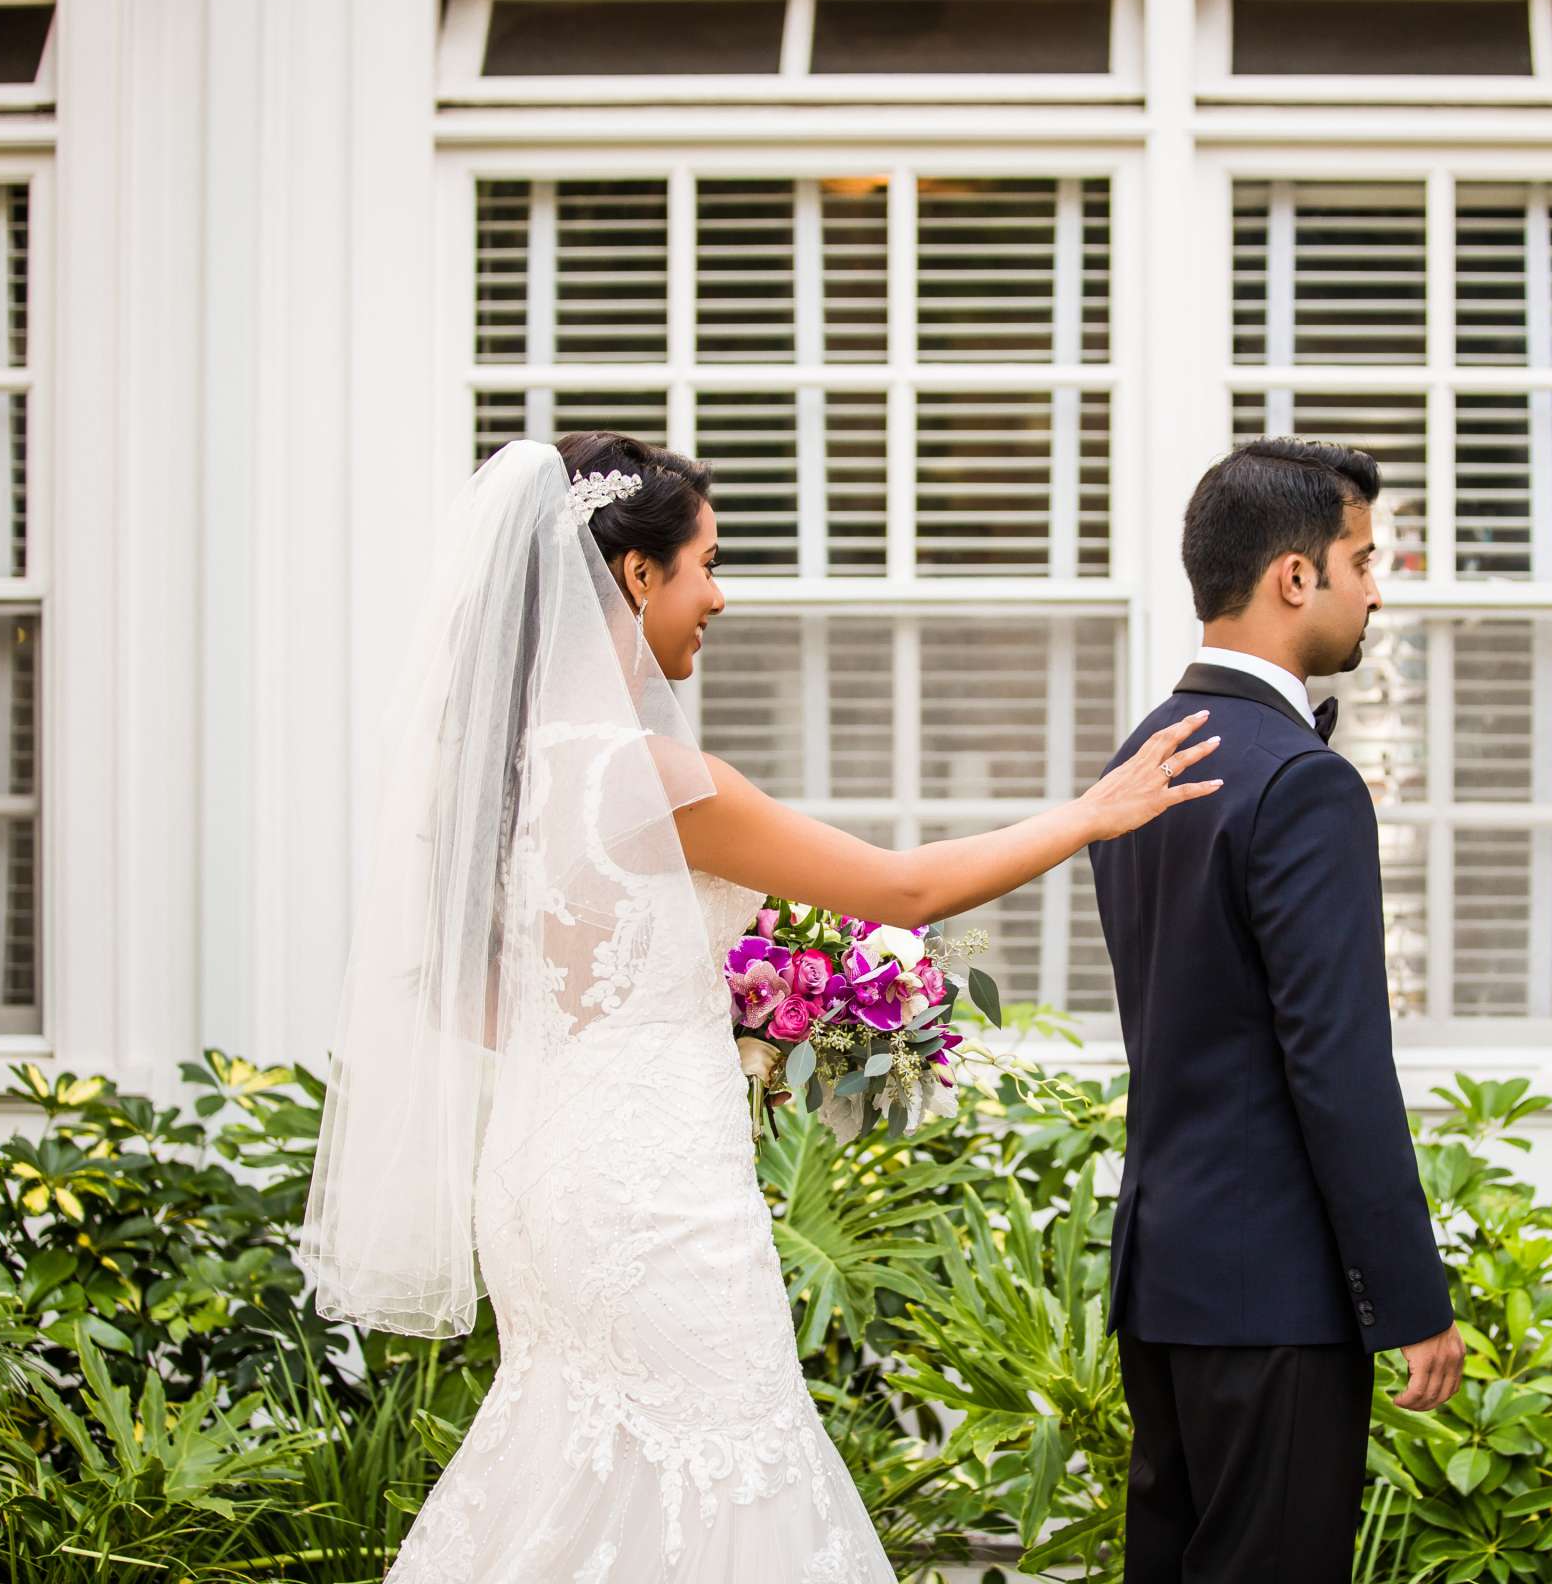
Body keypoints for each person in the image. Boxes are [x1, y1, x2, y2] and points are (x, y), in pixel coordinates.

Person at [295, 432, 1221, 1582]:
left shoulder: (507, 774)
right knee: (722, 1456)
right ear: (638, 577)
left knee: (574, 1459)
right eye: (705, 564)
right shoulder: (656, 773)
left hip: (538, 1184)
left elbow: (468, 994)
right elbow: (905, 888)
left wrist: (679, 1023)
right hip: (653, 1193)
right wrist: (1091, 812)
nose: (716, 598)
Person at [1088, 437, 1464, 1584]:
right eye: (1362, 558)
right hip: (1276, 1294)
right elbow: (1337, 1063)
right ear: (1294, 578)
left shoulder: (1144, 756)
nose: (1378, 585)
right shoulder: (1301, 782)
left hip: (1166, 1277)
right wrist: (1410, 1296)